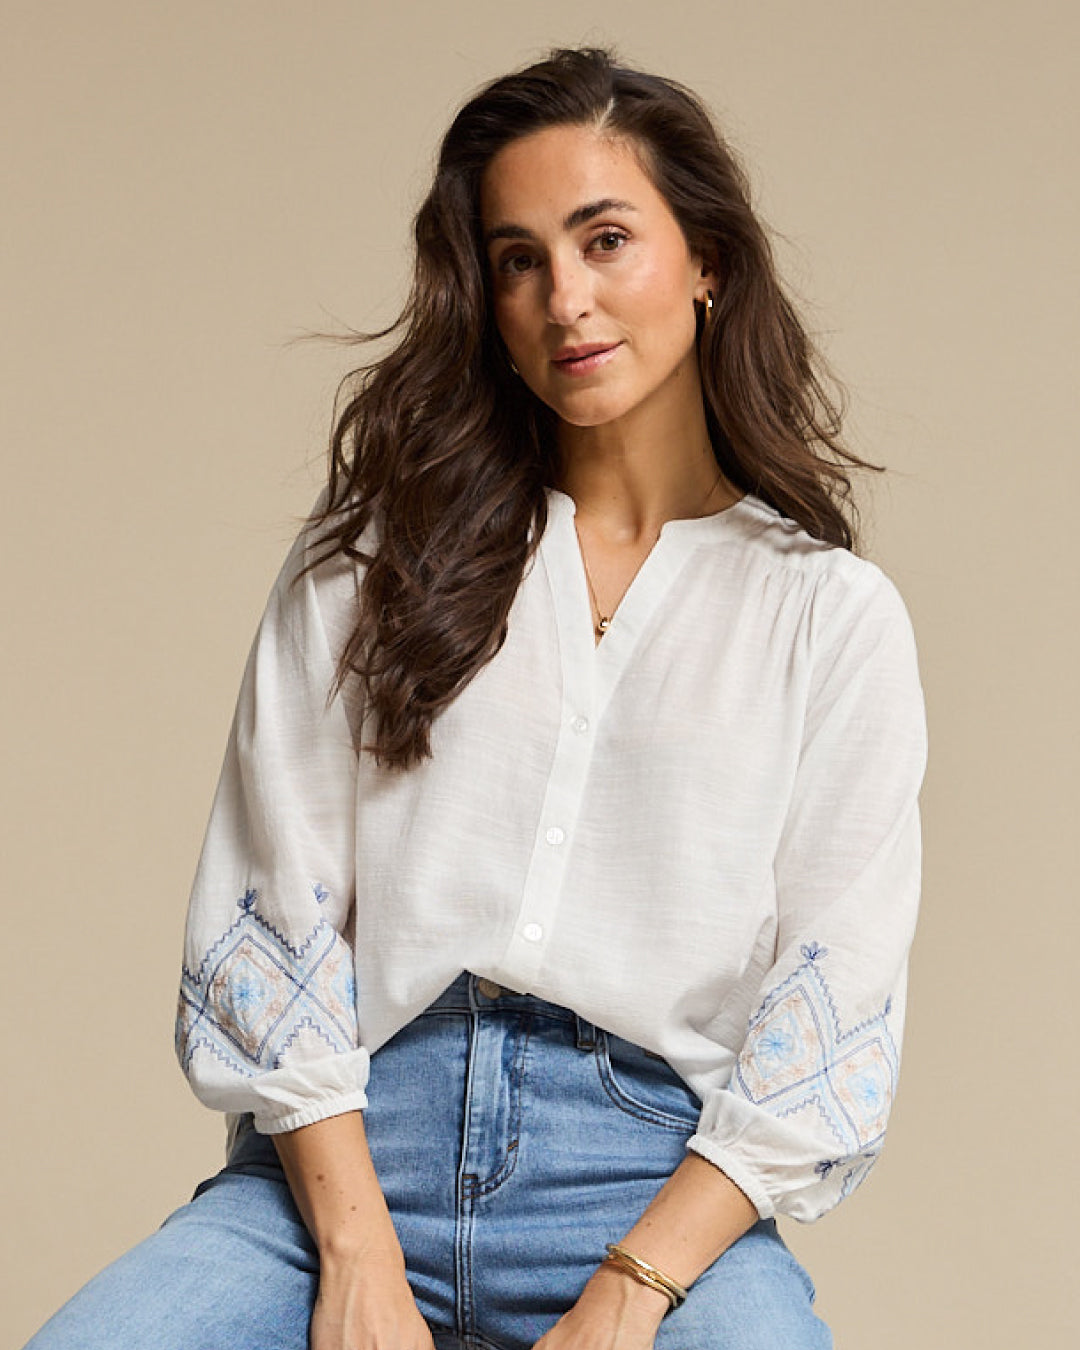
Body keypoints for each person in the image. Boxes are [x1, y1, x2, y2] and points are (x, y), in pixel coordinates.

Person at [24, 44, 926, 1350]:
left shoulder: (828, 619)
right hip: (336, 1161)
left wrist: (636, 1284)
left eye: (606, 238)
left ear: (708, 261)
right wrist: (352, 1246)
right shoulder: (373, 561)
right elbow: (272, 899)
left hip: (653, 1186)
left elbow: (830, 994)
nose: (566, 296)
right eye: (518, 259)